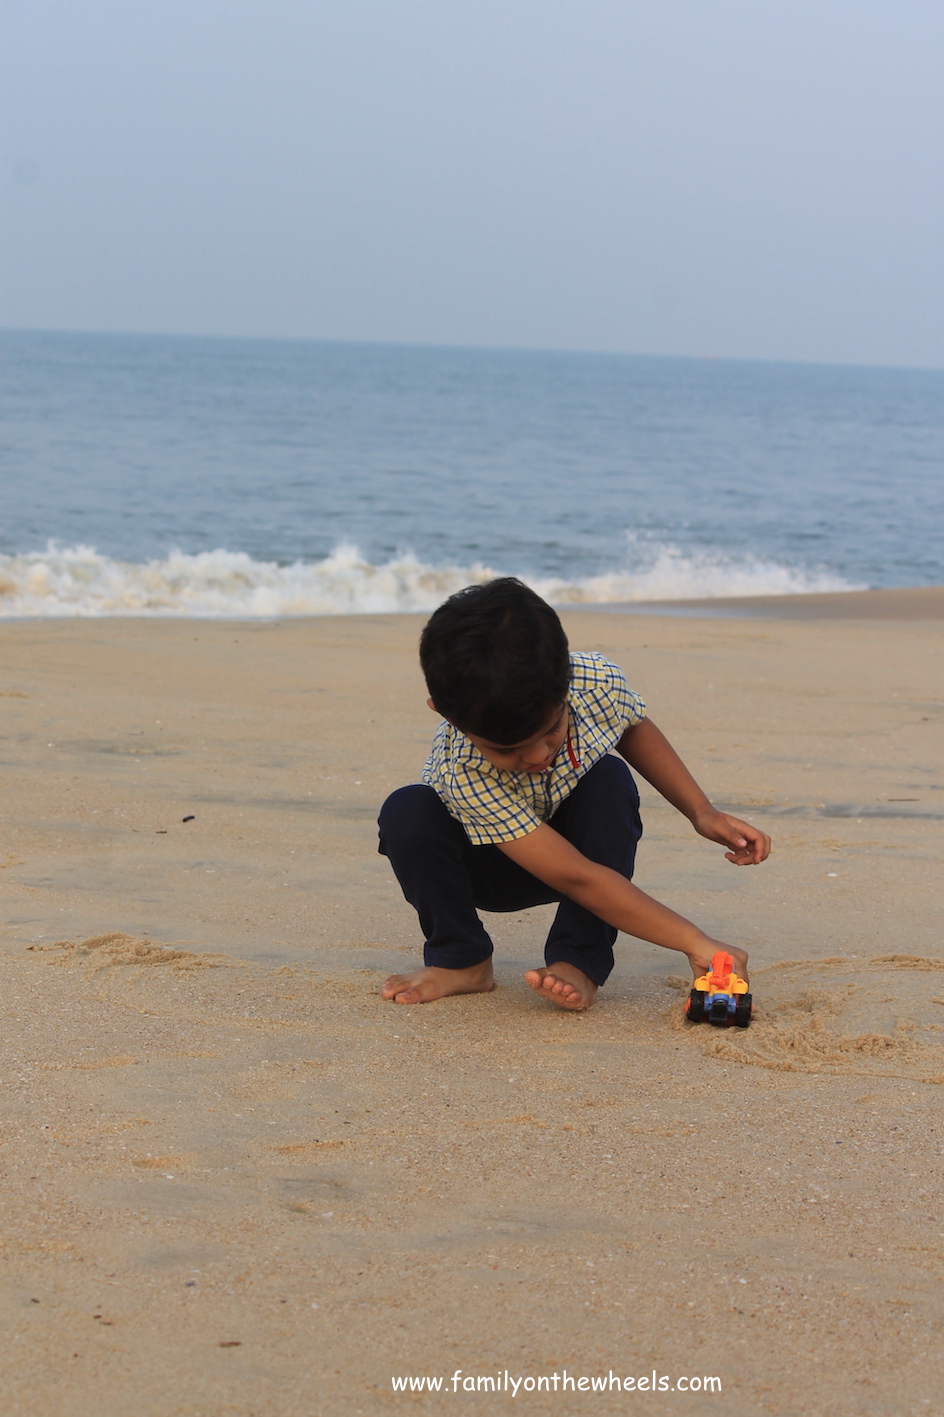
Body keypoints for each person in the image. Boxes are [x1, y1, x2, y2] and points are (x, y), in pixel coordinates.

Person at [377, 578, 770, 1010]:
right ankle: (462, 960)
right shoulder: (463, 770)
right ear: (445, 713)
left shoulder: (593, 682)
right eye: (505, 749)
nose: (538, 755)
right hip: (488, 864)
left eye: (551, 732)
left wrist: (701, 811)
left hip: (578, 842)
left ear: (565, 680)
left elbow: (632, 726)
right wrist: (695, 942)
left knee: (609, 778)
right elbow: (576, 876)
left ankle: (577, 961)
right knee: (407, 812)